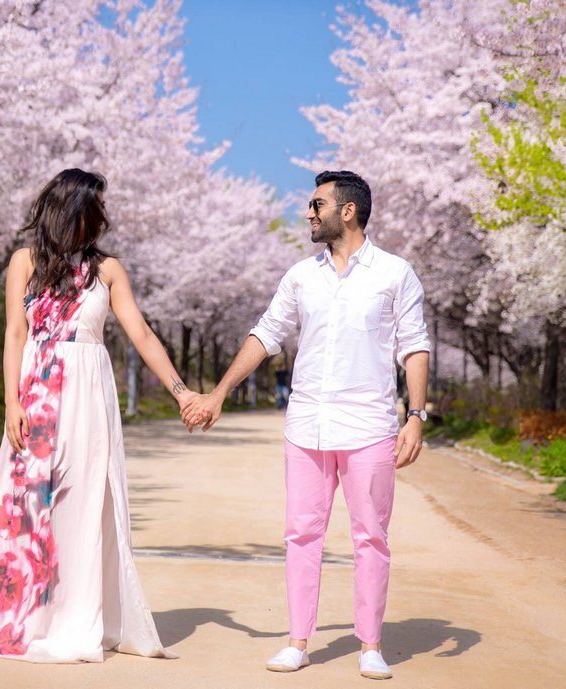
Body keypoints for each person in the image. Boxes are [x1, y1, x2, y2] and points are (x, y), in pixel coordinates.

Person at [182, 170, 431, 680]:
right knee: (301, 534)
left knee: (371, 538)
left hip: (369, 427)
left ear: (348, 210)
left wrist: (417, 416)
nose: (309, 213)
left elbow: (414, 345)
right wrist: (219, 391)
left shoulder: (395, 273)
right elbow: (266, 333)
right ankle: (298, 641)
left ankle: (370, 645)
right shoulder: (301, 276)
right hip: (307, 426)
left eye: (317, 204)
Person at [0, 169, 201, 663]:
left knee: (82, 501)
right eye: (93, 209)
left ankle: (74, 616)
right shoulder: (23, 262)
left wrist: (181, 392)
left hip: (88, 397)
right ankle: (22, 617)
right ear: (70, 211)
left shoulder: (108, 270)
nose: (100, 220)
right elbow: (15, 335)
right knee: (27, 503)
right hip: (37, 395)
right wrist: (11, 402)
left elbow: (143, 335)